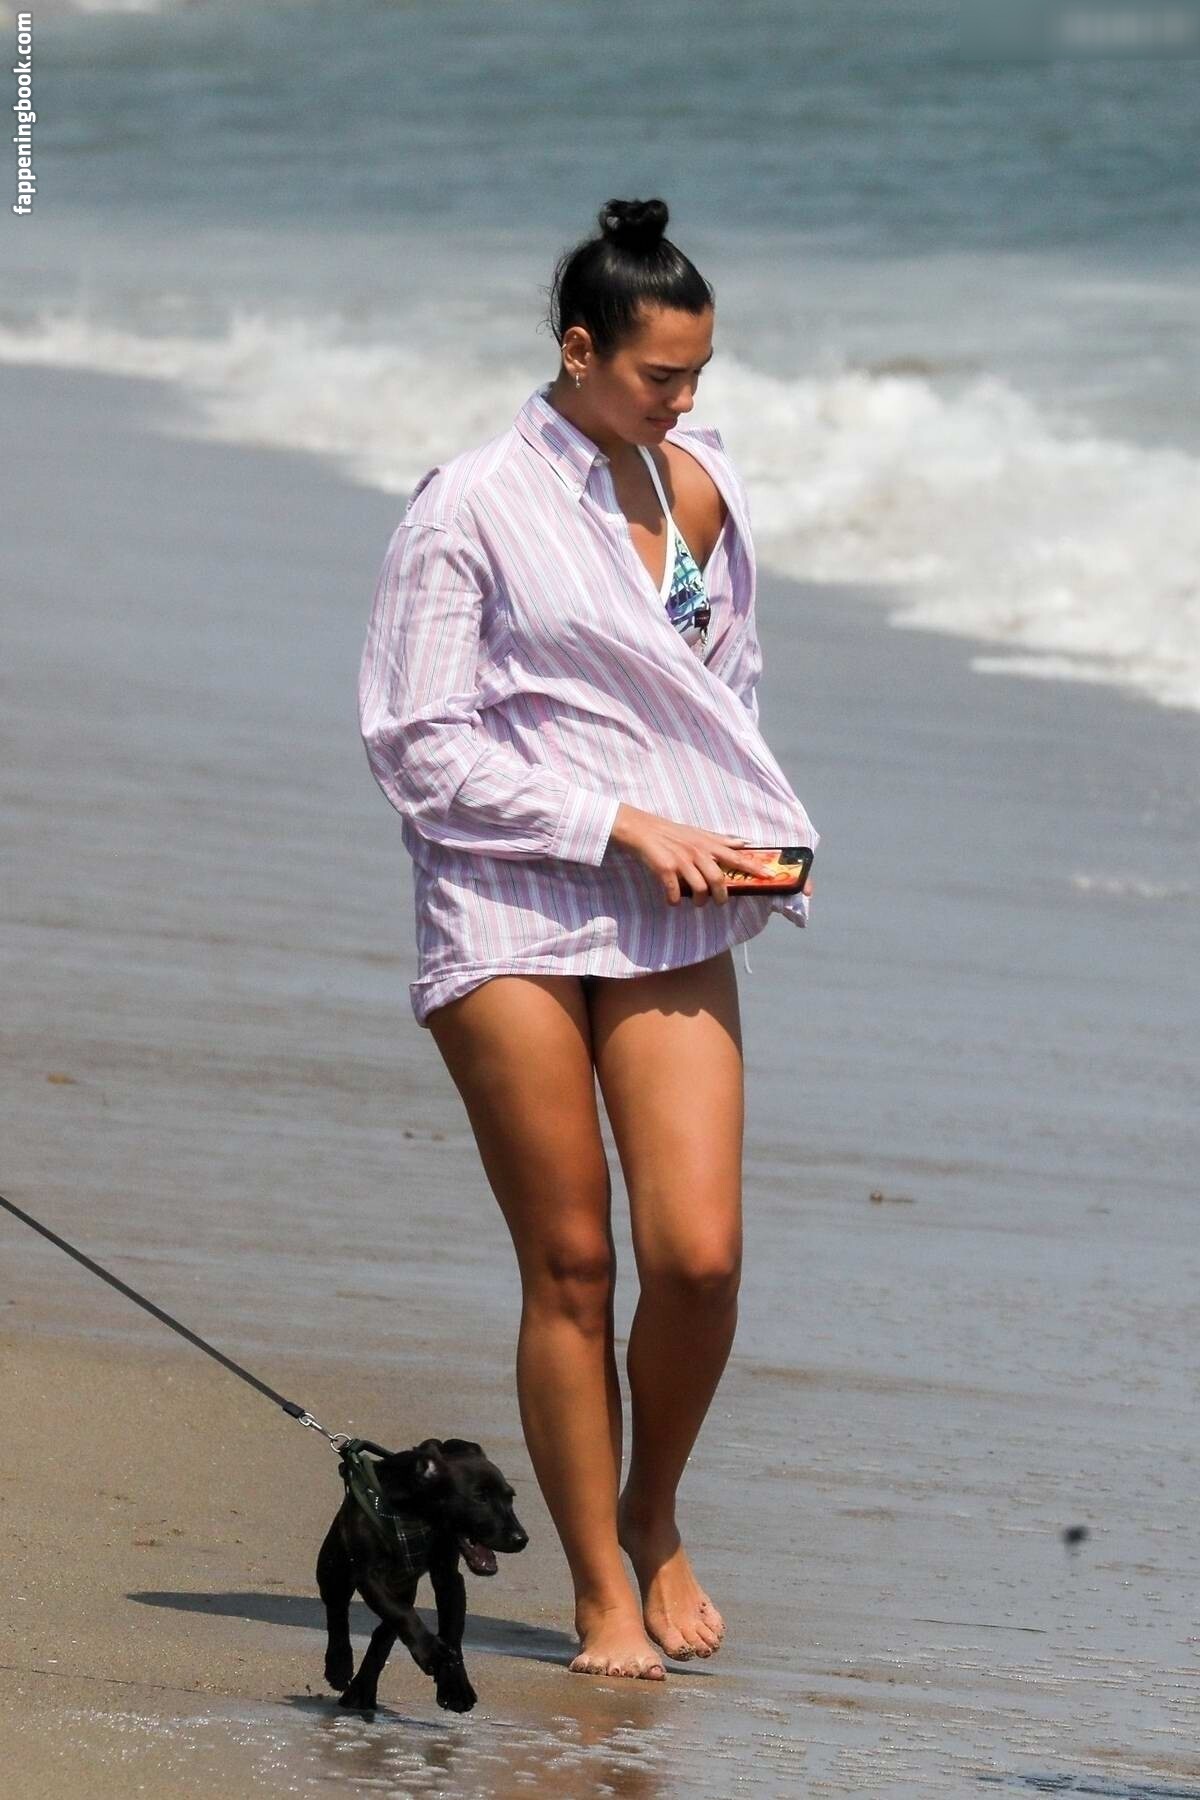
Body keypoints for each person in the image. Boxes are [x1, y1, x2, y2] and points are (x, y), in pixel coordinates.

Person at [358, 196, 819, 1682]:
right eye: (657, 375)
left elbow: (713, 700)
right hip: (507, 892)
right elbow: (416, 745)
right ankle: (599, 1588)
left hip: (673, 893)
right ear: (577, 350)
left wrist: (731, 832)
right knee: (570, 1259)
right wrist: (616, 821)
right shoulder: (469, 505)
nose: (683, 400)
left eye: (699, 374)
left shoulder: (700, 493)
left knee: (699, 1258)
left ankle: (653, 1507)